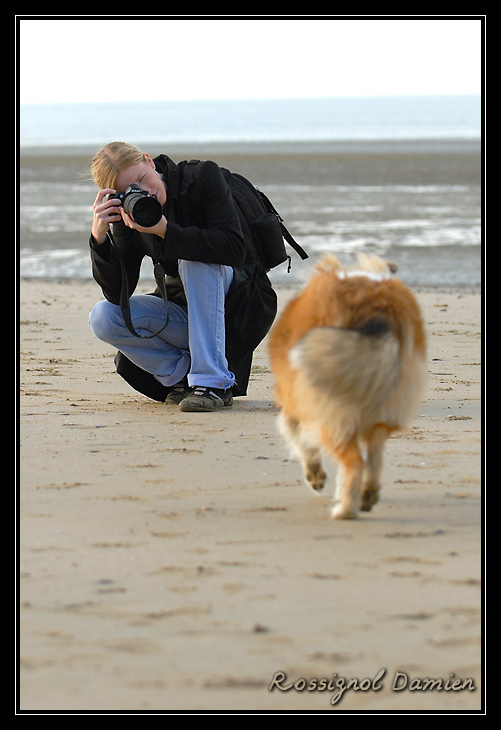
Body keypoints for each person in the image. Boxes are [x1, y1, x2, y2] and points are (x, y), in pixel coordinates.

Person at [88, 141, 277, 412]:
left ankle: (213, 384)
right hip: (185, 316)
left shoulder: (201, 178)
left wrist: (165, 231)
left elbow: (234, 249)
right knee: (103, 316)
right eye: (131, 190)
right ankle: (184, 378)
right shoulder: (130, 213)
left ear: (149, 161)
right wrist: (99, 238)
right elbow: (119, 294)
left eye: (143, 178)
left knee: (195, 262)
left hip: (239, 309)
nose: (146, 192)